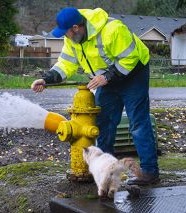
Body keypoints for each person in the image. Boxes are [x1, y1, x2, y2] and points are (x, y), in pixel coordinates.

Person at [31, 7, 159, 185]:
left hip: (133, 75)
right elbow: (66, 64)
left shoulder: (113, 29)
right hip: (106, 79)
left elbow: (131, 57)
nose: (64, 37)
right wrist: (46, 79)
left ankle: (149, 172)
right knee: (102, 124)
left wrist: (106, 77)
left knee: (138, 123)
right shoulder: (74, 40)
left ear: (76, 27)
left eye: (65, 32)